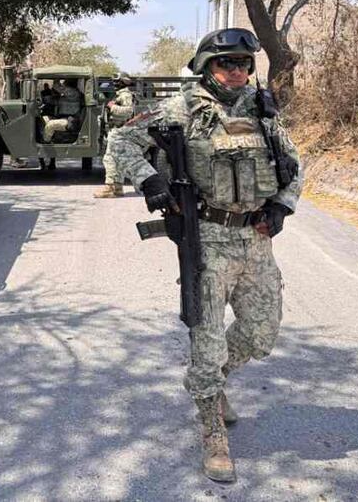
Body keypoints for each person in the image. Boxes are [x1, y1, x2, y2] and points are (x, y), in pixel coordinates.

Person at [108, 28, 303, 483]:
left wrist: (282, 205)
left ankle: (212, 382)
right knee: (208, 336)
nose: (236, 72)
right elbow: (122, 142)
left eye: (242, 64)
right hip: (209, 238)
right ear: (206, 68)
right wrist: (150, 182)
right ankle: (213, 428)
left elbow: (294, 166)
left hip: (256, 238)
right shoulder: (181, 110)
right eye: (226, 64)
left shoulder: (264, 113)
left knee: (262, 331)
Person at [94, 73, 137, 198]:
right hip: (118, 130)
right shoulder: (120, 95)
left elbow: (128, 111)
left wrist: (112, 107)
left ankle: (109, 188)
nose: (114, 83)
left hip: (120, 130)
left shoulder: (125, 95)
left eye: (116, 81)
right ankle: (118, 187)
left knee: (109, 159)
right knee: (117, 160)